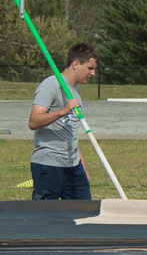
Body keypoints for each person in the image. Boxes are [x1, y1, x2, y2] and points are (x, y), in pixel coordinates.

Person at [28, 43, 99, 200]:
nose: (93, 73)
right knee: (45, 218)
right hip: (49, 165)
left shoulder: (75, 89)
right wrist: (62, 111)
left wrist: (81, 162)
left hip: (73, 166)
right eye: (90, 68)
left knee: (84, 214)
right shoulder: (50, 85)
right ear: (75, 64)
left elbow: (70, 128)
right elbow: (33, 121)